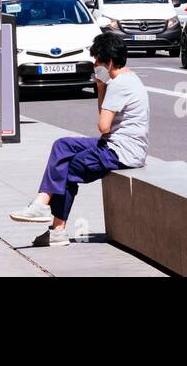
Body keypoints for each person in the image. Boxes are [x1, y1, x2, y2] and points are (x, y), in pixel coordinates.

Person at [10, 33, 148, 246]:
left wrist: (102, 87)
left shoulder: (119, 84)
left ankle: (55, 226)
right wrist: (102, 87)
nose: (95, 65)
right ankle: (42, 205)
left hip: (121, 152)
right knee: (62, 146)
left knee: (67, 168)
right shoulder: (129, 78)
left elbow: (103, 126)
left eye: (97, 62)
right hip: (118, 145)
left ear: (109, 62)